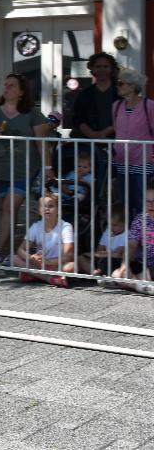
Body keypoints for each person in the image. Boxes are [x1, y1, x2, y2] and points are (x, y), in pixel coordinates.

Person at [0, 73, 55, 266]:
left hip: (23, 170)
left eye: (12, 85)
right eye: (6, 84)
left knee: (10, 209)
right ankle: (5, 252)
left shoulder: (32, 113)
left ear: (21, 92)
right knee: (3, 211)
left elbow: (41, 142)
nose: (7, 88)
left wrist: (47, 167)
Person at [111, 68, 154, 220]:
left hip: (143, 162)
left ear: (132, 86)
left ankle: (145, 238)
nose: (117, 86)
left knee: (143, 202)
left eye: (121, 83)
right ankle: (129, 239)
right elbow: (117, 130)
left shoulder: (148, 106)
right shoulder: (116, 106)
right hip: (122, 162)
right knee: (124, 204)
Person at [71, 52, 119, 183]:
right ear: (92, 69)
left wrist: (105, 132)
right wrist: (92, 134)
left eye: (105, 66)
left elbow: (125, 117)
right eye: (98, 66)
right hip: (89, 144)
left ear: (111, 68)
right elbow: (77, 118)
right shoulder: (85, 94)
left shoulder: (120, 92)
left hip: (115, 142)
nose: (102, 70)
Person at [13, 194, 76, 287]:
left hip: (57, 264)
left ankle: (33, 275)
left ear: (58, 210)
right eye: (44, 206)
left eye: (51, 206)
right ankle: (50, 278)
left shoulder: (66, 227)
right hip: (39, 264)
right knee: (14, 258)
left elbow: (68, 256)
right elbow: (20, 250)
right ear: (39, 211)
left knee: (72, 266)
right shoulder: (36, 226)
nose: (47, 209)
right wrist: (31, 257)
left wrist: (48, 262)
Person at [111, 186, 154, 294]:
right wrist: (125, 266)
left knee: (144, 274)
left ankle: (129, 283)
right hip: (141, 262)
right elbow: (131, 245)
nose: (150, 205)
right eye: (147, 201)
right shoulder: (140, 219)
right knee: (118, 273)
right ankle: (139, 285)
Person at [77, 206, 126, 277]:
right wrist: (97, 254)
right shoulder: (108, 231)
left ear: (124, 223)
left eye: (115, 225)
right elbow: (99, 249)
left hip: (114, 261)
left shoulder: (126, 235)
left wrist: (101, 254)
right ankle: (95, 274)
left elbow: (118, 254)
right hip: (103, 258)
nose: (111, 227)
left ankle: (99, 274)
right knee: (81, 258)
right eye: (109, 224)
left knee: (104, 262)